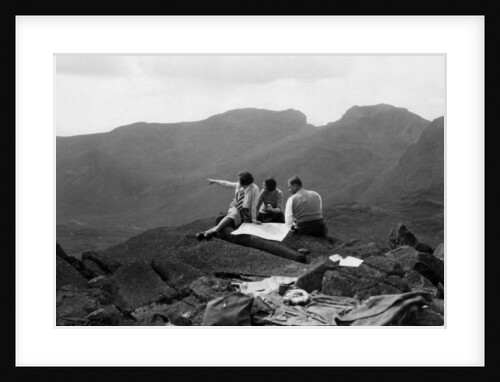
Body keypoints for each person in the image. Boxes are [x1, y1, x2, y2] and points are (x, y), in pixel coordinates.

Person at [196, 171, 261, 240]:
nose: (238, 182)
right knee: (234, 214)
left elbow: (254, 205)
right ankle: (214, 231)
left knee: (230, 219)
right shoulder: (239, 185)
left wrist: (254, 219)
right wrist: (216, 181)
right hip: (235, 206)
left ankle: (205, 233)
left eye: (239, 181)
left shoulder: (254, 189)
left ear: (245, 183)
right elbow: (228, 184)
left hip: (245, 212)